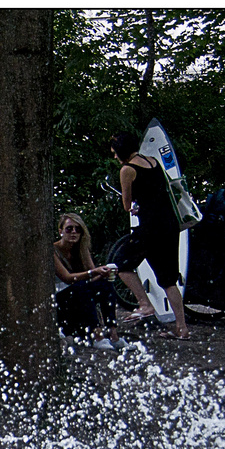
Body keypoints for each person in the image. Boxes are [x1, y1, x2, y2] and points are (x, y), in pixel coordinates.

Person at [108, 132, 190, 339]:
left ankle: (144, 304)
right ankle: (182, 329)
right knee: (168, 278)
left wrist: (134, 207)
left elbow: (127, 205)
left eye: (114, 153)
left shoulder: (127, 170)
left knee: (121, 264)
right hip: (169, 225)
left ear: (120, 152)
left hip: (151, 227)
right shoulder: (153, 162)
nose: (114, 157)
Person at [53, 212, 120, 351]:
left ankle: (113, 334)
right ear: (60, 231)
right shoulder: (53, 250)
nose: (73, 232)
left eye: (78, 229)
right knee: (80, 286)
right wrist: (94, 272)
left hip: (78, 293)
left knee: (105, 285)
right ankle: (98, 335)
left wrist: (104, 274)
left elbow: (92, 278)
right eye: (69, 229)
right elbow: (67, 278)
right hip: (60, 298)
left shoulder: (81, 249)